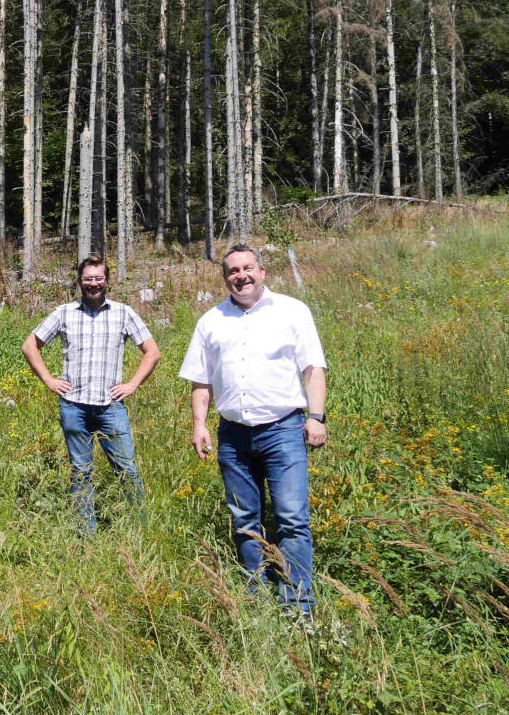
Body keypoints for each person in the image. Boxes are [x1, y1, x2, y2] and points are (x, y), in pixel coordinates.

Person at [180, 243, 328, 613]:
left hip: (284, 431)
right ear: (225, 277)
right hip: (233, 435)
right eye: (232, 270)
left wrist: (317, 416)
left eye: (247, 268)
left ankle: (298, 607)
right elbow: (201, 381)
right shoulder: (210, 321)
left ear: (262, 271)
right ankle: (257, 601)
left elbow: (313, 368)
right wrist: (200, 425)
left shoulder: (292, 311)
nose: (241, 276)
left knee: (291, 518)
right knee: (246, 520)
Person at [22, 253, 162, 533]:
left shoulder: (123, 313)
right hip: (73, 407)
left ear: (107, 280)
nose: (94, 284)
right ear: (79, 282)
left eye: (98, 278)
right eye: (88, 279)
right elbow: (30, 346)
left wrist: (132, 384)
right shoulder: (64, 313)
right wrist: (49, 380)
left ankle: (141, 528)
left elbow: (152, 352)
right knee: (81, 472)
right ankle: (86, 533)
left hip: (110, 406)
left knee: (127, 470)